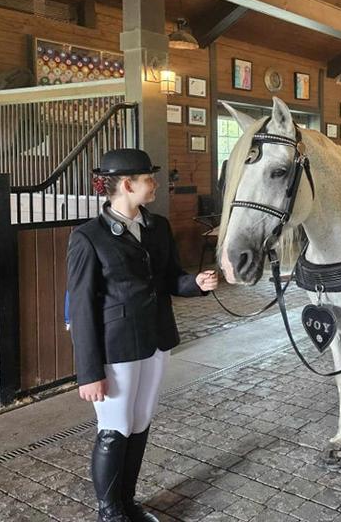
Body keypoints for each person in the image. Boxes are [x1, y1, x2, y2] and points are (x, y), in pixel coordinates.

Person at [67, 148, 218, 522]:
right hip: (115, 349)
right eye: (149, 179)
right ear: (127, 184)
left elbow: (169, 278)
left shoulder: (158, 226)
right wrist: (89, 372)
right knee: (114, 428)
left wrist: (195, 283)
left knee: (139, 423)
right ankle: (109, 511)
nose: (155, 184)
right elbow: (80, 308)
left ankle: (128, 502)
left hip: (155, 340)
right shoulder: (88, 237)